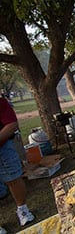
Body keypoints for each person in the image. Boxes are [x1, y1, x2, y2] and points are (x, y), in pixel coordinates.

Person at [0, 97, 35, 228]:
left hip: (2, 149)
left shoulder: (0, 102)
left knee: (13, 179)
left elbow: (11, 124)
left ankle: (23, 209)